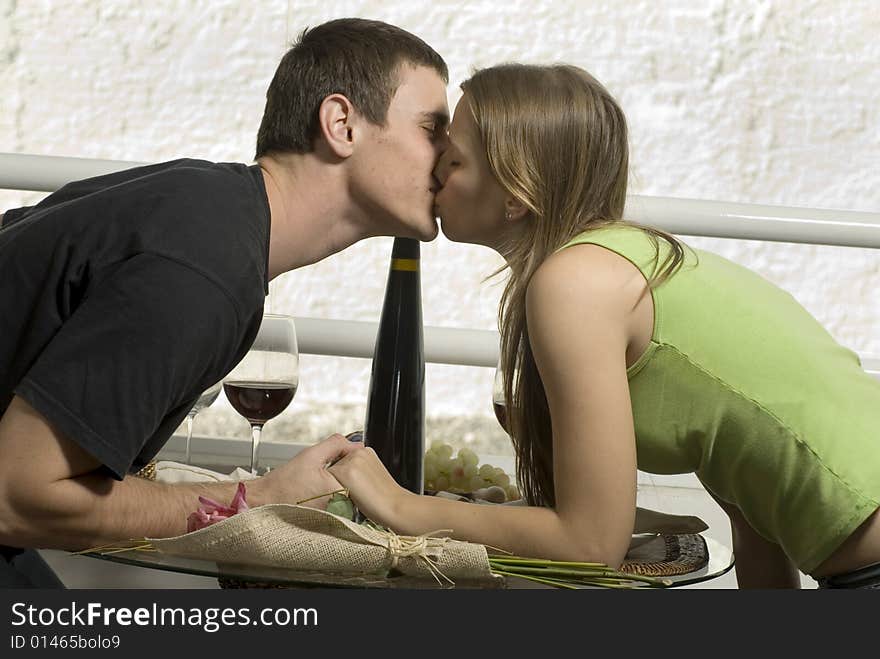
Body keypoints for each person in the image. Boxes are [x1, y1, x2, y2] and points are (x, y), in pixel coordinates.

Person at [328, 63, 880, 589]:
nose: (433, 176)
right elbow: (750, 502)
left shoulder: (575, 283)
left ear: (518, 193)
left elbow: (591, 545)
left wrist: (399, 506)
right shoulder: (629, 261)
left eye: (451, 161)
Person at [0, 18, 450, 587]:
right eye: (432, 127)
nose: (449, 156)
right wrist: (260, 500)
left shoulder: (212, 214)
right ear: (342, 125)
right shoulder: (203, 271)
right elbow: (17, 496)